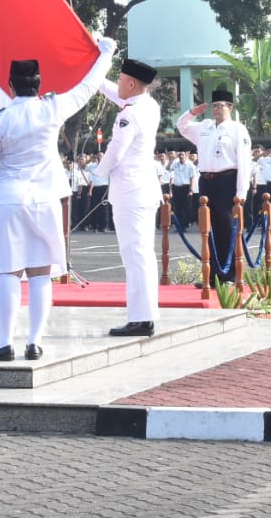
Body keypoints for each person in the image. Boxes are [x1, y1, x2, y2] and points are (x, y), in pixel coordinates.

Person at [0, 39, 115, 361]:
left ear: (10, 85)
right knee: (41, 273)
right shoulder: (52, 107)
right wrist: (106, 54)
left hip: (9, 198)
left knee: (9, 274)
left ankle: (4, 344)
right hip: (44, 198)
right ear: (39, 84)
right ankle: (35, 343)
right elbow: (88, 87)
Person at [96, 58, 164, 337]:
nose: (119, 82)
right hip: (143, 190)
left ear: (132, 83)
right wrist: (94, 70)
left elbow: (116, 150)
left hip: (130, 192)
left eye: (122, 78)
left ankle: (140, 318)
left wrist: (98, 173)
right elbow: (114, 92)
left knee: (135, 255)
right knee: (142, 254)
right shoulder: (148, 104)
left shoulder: (129, 114)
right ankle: (144, 314)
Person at [176, 88, 252, 285]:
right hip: (207, 181)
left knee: (227, 228)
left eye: (220, 106)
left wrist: (241, 191)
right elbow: (181, 126)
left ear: (230, 108)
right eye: (214, 106)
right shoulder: (205, 126)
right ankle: (212, 275)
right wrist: (192, 112)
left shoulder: (237, 129)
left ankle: (231, 275)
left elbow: (244, 161)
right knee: (208, 229)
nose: (216, 109)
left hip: (227, 181)